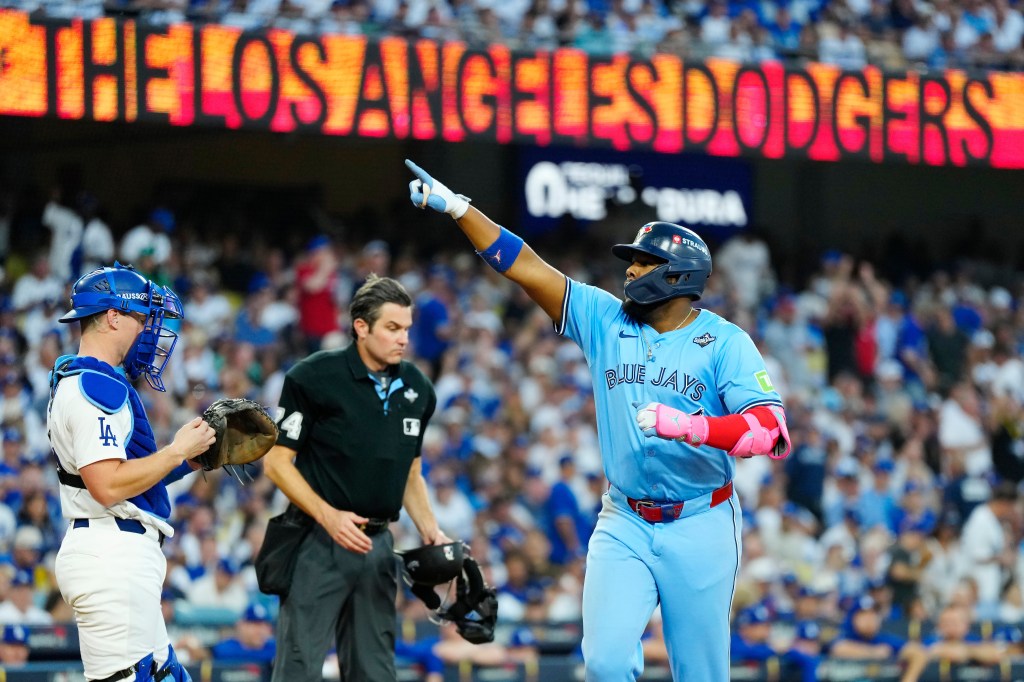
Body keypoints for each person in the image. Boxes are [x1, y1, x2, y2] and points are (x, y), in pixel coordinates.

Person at [405, 160, 792, 681]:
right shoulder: (604, 317)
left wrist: (695, 428)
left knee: (700, 673)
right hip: (625, 520)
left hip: (701, 521)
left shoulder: (726, 341)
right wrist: (459, 209)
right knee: (606, 661)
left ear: (679, 277)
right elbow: (524, 266)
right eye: (631, 263)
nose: (630, 272)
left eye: (644, 264)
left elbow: (770, 432)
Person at [263, 273, 450, 682]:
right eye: (392, 328)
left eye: (406, 329)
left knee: (375, 672)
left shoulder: (418, 388)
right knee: (298, 669)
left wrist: (431, 530)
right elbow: (277, 463)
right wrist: (329, 516)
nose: (403, 338)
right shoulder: (312, 377)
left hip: (379, 544)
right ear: (361, 327)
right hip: (317, 540)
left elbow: (411, 471)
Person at [47, 263, 216, 682]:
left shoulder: (94, 379)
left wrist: (189, 460)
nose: (148, 330)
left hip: (118, 549)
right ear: (113, 316)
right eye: (142, 318)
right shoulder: (94, 387)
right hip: (111, 553)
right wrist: (176, 450)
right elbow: (107, 485)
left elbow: (126, 480)